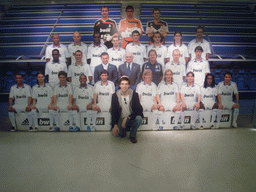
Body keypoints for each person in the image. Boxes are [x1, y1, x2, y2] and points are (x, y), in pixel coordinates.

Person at [111, 76, 143, 143]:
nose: (124, 86)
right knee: (121, 135)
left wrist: (128, 118)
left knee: (139, 118)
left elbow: (139, 109)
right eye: (122, 84)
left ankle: (132, 135)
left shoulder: (134, 94)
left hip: (131, 118)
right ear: (119, 85)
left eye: (126, 84)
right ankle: (124, 130)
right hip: (121, 119)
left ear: (129, 85)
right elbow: (113, 111)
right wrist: (115, 125)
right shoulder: (115, 96)